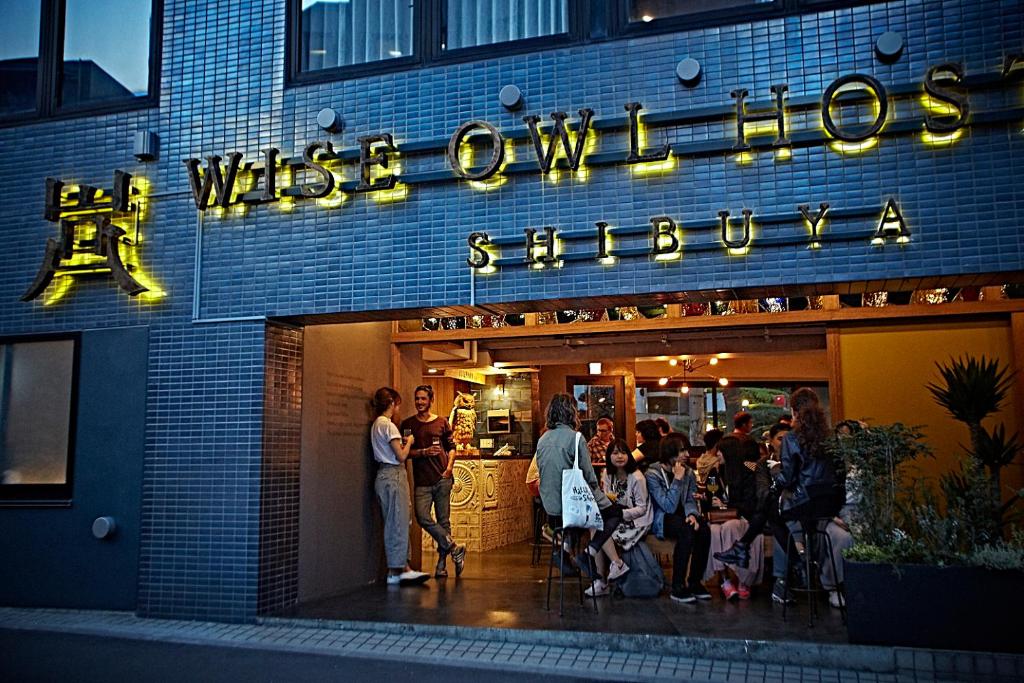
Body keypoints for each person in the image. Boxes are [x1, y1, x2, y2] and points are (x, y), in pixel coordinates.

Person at [536, 393, 629, 581]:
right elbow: (588, 477)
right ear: (571, 412)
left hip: (551, 507)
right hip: (571, 505)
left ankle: (566, 549)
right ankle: (589, 553)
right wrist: (602, 497)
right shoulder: (576, 438)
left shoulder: (543, 439)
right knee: (614, 514)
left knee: (589, 518)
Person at [401, 385, 467, 579]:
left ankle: (441, 566)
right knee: (422, 517)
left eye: (423, 399)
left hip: (442, 479)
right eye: (417, 399)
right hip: (422, 481)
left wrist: (449, 468)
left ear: (431, 400)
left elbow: (452, 447)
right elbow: (403, 452)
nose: (419, 402)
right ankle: (454, 547)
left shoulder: (441, 422)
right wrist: (422, 452)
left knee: (443, 521)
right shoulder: (408, 424)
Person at [370, 387, 429, 586]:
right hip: (394, 475)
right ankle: (397, 570)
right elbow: (401, 455)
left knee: (396, 520)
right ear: (393, 403)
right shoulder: (389, 426)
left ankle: (403, 568)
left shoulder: (376, 425)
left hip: (382, 476)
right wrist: (410, 442)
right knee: (398, 521)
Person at [646, 433, 711, 603]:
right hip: (661, 519)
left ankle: (695, 582)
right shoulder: (652, 474)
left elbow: (690, 499)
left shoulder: (688, 472)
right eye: (682, 451)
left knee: (704, 529)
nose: (687, 455)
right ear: (670, 452)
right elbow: (667, 506)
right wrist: (677, 479)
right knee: (686, 530)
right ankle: (678, 586)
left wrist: (692, 515)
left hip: (683, 516)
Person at [587, 440, 653, 597]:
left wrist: (621, 514)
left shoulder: (637, 478)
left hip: (636, 521)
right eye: (615, 453)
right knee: (594, 525)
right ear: (608, 456)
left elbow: (642, 508)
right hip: (617, 517)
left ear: (629, 456)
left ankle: (603, 580)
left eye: (623, 453)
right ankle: (609, 572)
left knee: (600, 532)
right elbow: (608, 499)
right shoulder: (608, 475)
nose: (619, 457)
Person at [717, 412, 760, 521]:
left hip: (740, 515)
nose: (717, 454)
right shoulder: (749, 442)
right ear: (744, 424)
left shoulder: (726, 439)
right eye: (750, 423)